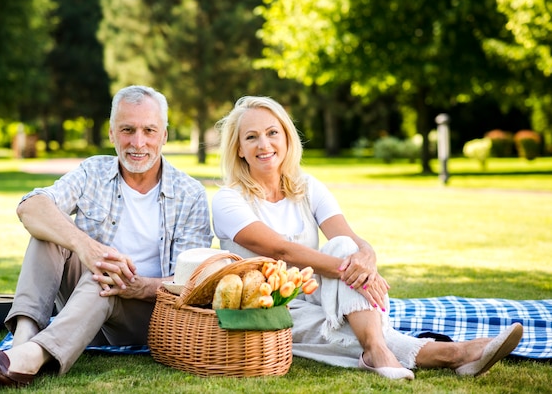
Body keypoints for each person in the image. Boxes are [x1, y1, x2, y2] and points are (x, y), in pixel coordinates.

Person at [211, 95, 523, 380]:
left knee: (345, 248)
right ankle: (452, 354)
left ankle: (377, 349)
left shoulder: (306, 186)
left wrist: (366, 259)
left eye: (272, 132)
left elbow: (350, 239)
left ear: (286, 137)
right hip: (270, 306)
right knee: (336, 328)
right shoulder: (229, 199)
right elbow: (282, 250)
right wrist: (353, 271)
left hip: (315, 290)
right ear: (238, 149)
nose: (264, 144)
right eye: (251, 137)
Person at [0, 85, 213, 388]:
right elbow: (31, 206)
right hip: (84, 306)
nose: (138, 142)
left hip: (148, 317)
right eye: (127, 130)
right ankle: (22, 341)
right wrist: (86, 247)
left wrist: (138, 285)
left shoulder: (191, 194)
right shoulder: (92, 171)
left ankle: (32, 358)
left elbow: (193, 284)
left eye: (149, 130)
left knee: (103, 276)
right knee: (51, 231)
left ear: (165, 136)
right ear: (111, 134)